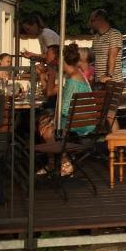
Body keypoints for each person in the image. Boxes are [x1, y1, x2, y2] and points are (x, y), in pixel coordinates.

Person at [38, 44, 93, 176]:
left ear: (62, 62)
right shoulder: (77, 75)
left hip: (79, 124)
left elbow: (64, 110)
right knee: (45, 123)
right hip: (84, 120)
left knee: (46, 129)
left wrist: (51, 121)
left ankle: (62, 163)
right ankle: (56, 163)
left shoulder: (72, 80)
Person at [89, 9, 123, 82]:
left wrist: (108, 76)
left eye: (92, 20)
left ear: (99, 20)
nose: (90, 24)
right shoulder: (96, 37)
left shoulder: (114, 34)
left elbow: (112, 56)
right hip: (98, 81)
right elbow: (93, 58)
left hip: (112, 82)